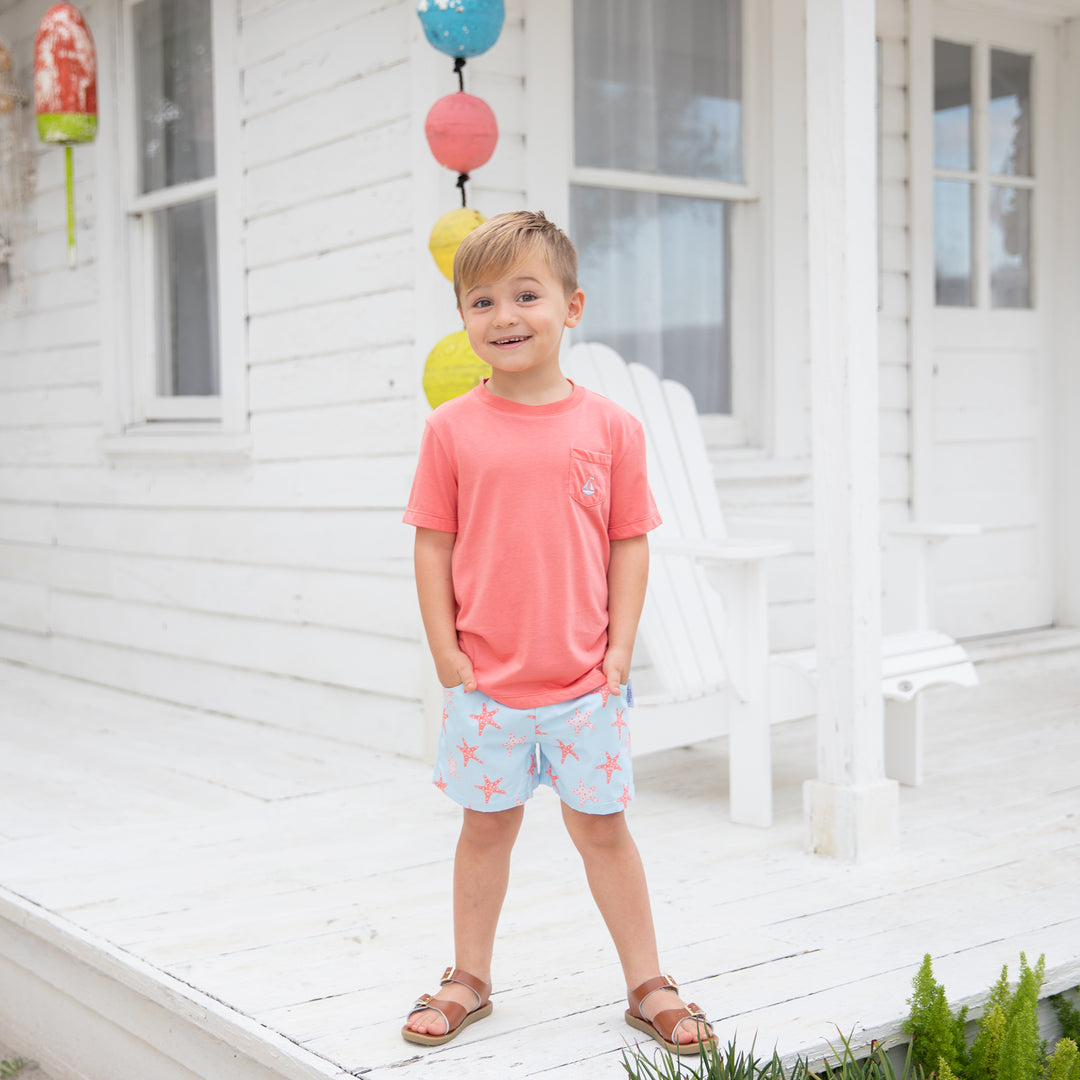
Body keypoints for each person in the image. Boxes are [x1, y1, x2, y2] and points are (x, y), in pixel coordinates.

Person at [401, 211, 716, 1055]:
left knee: (603, 830)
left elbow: (629, 543)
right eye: (482, 300)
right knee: (485, 829)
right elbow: (432, 544)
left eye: (526, 295)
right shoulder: (451, 430)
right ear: (463, 318)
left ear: (572, 306)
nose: (504, 316)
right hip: (488, 688)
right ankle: (469, 975)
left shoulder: (612, 429)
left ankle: (648, 980)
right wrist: (446, 651)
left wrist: (618, 650)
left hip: (584, 685)